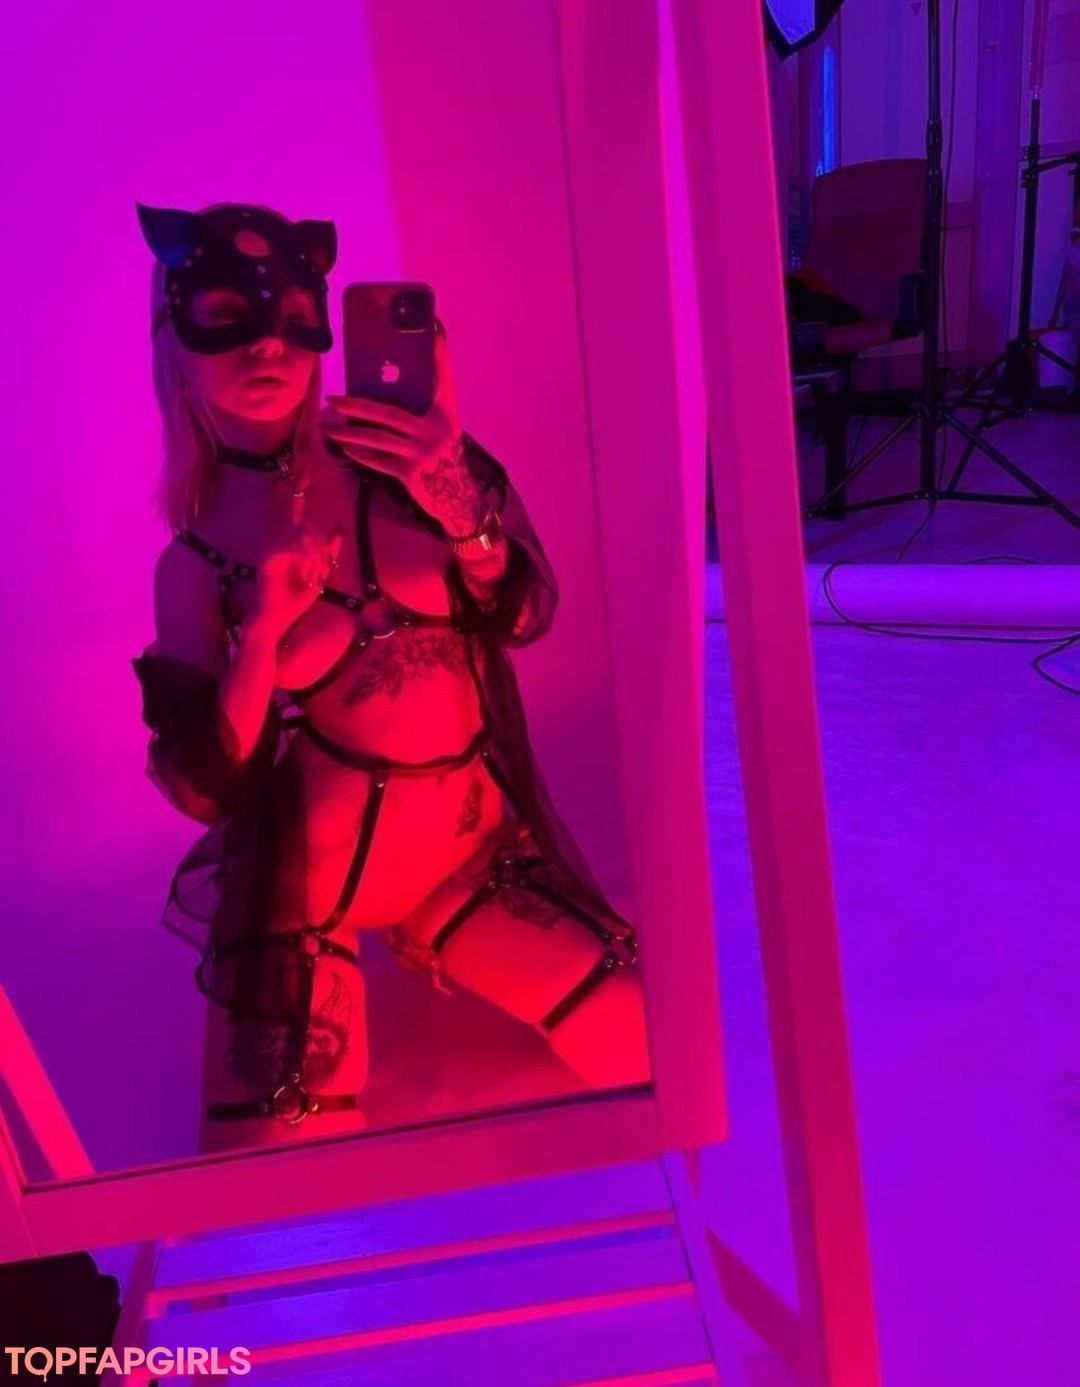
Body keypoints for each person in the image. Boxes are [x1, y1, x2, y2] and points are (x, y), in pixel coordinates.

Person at [131, 201, 649, 1151]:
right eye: (227, 316)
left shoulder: (416, 460)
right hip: (308, 896)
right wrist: (263, 633)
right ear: (174, 334)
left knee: (647, 1035)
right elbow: (205, 787)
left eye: (294, 315)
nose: (267, 345)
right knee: (276, 1172)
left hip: (467, 860)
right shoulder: (196, 562)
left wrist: (453, 497)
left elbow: (526, 616)